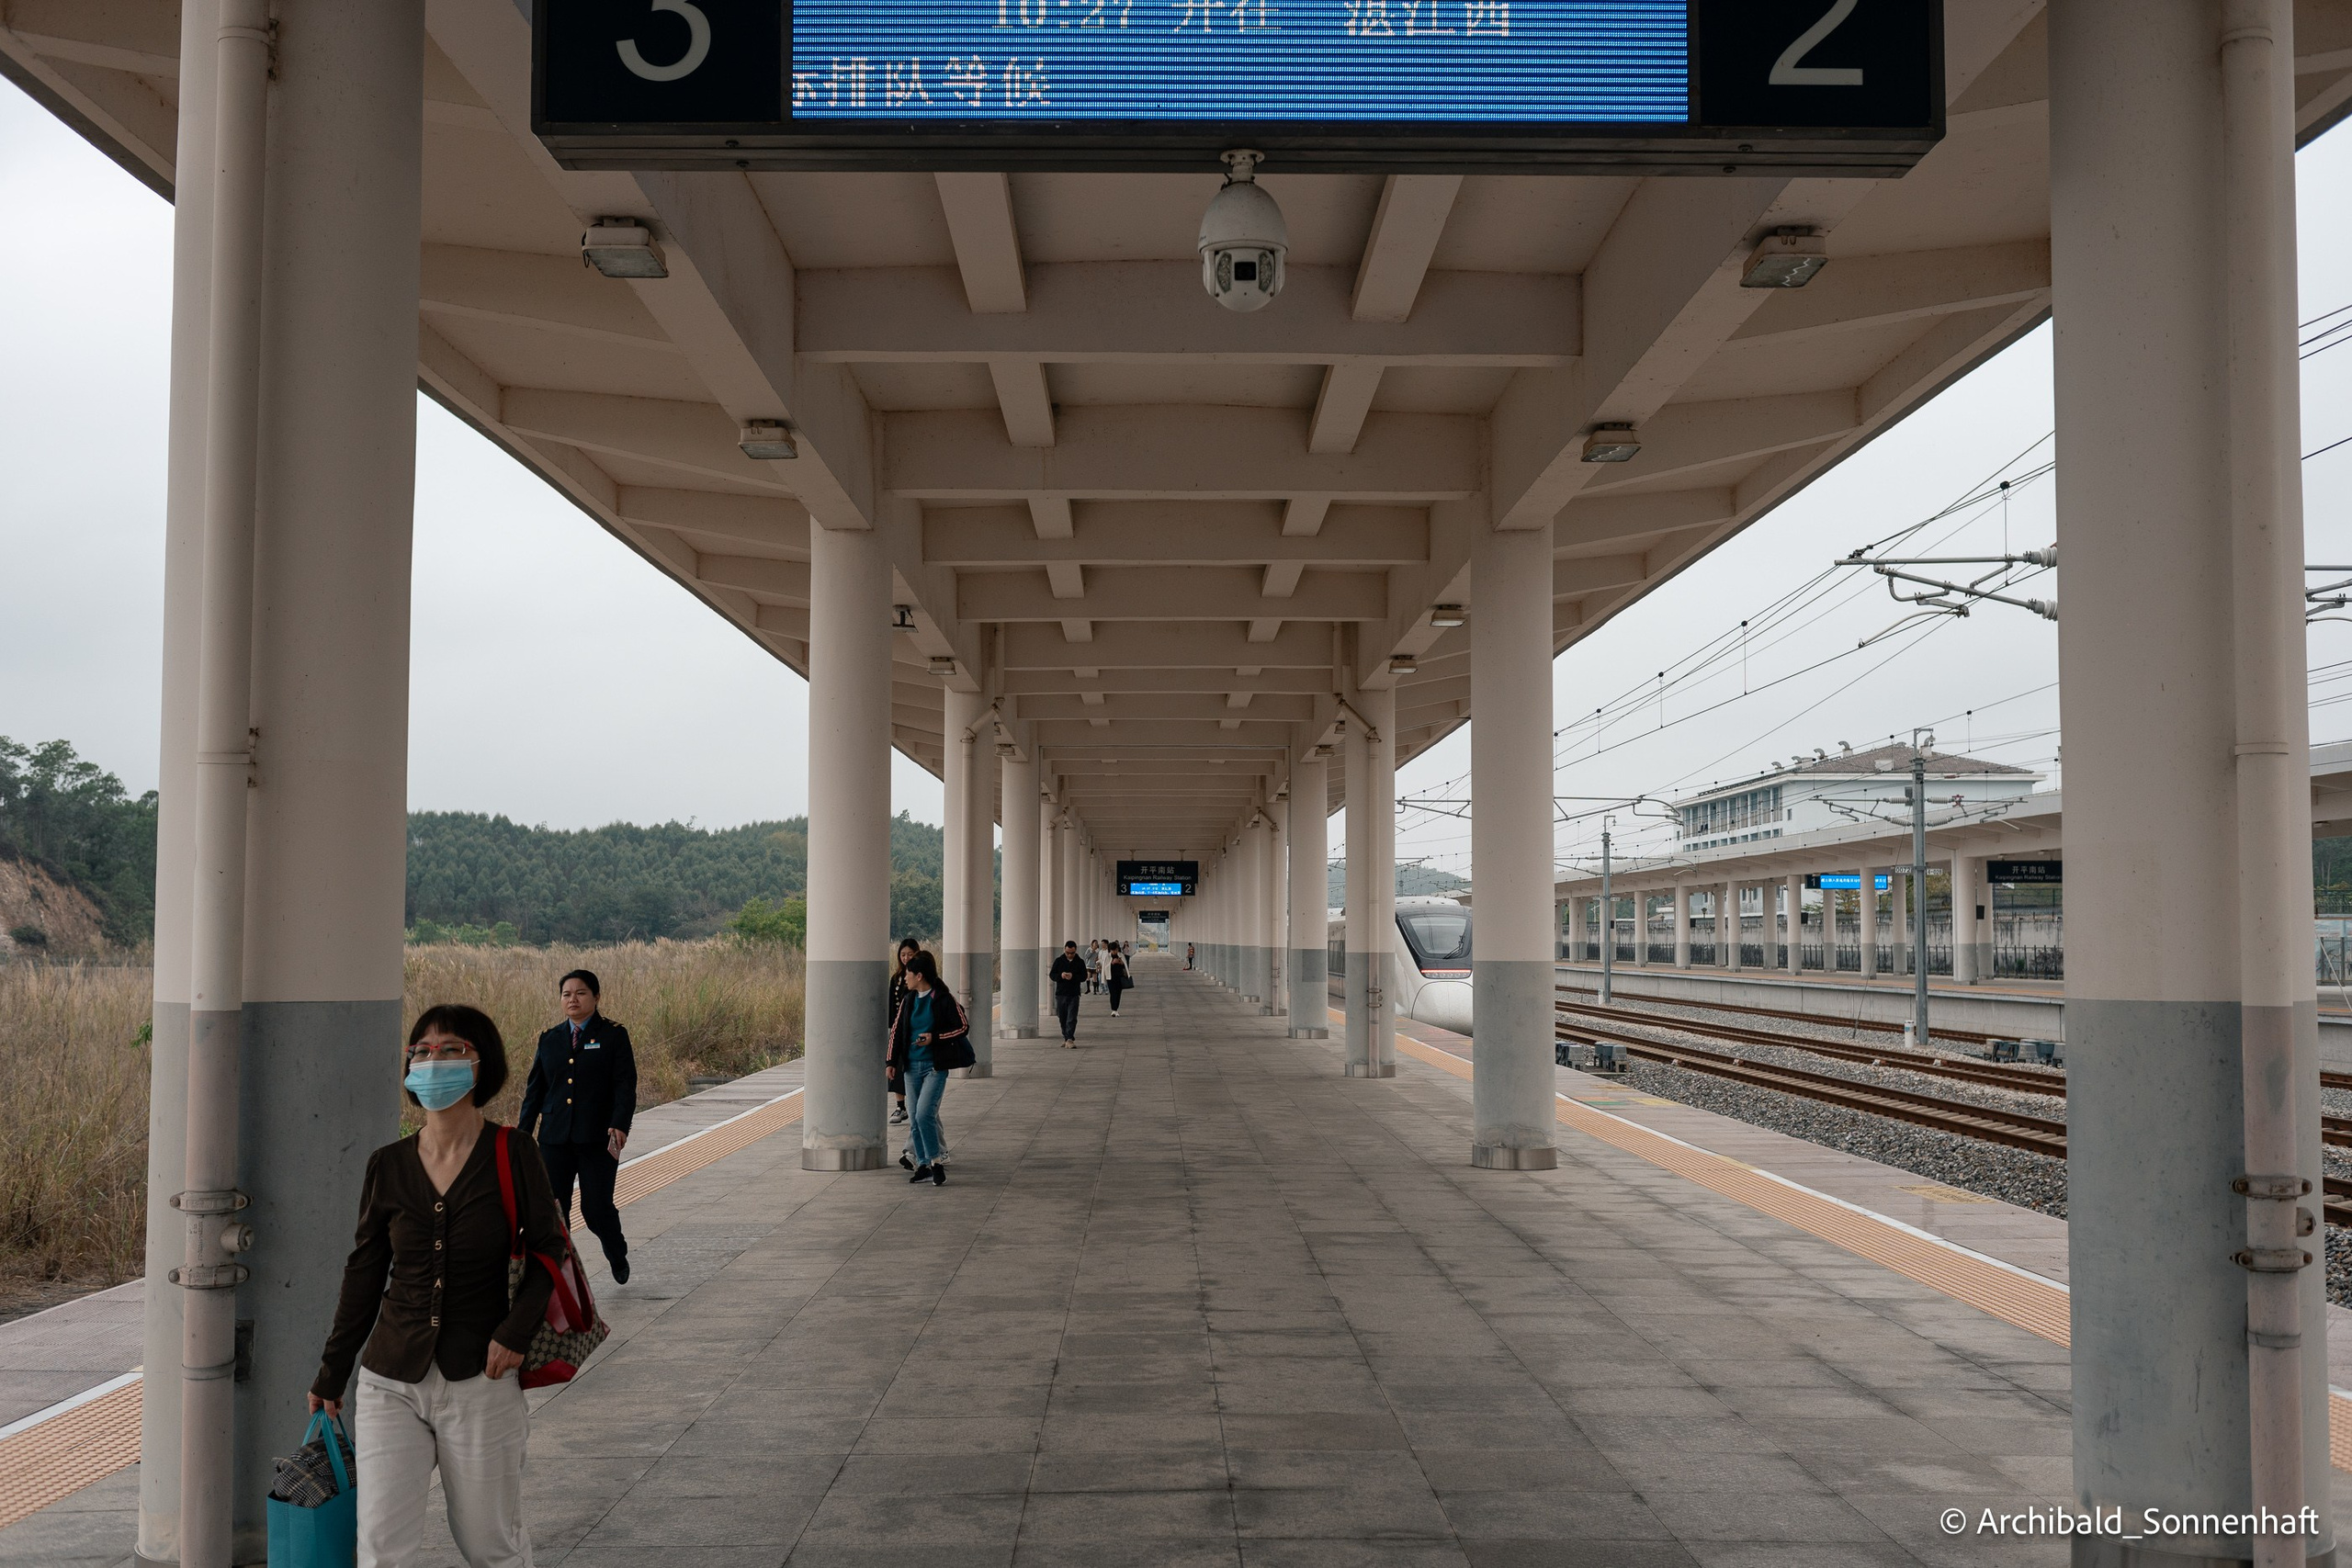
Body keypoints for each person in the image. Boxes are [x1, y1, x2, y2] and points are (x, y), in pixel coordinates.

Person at [311, 1003, 568, 1568]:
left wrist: (515, 1332)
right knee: (381, 1548)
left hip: (482, 1374)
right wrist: (333, 1369)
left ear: (481, 1063)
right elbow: (365, 1271)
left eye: (451, 1049)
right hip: (391, 1377)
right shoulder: (389, 1164)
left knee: (489, 1543)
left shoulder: (513, 1152)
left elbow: (551, 1249)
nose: (434, 1061)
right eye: (422, 1051)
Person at [518, 969, 636, 1283]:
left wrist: (620, 1124)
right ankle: (562, 1276)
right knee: (555, 1212)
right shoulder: (550, 1039)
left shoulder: (613, 1035)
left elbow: (625, 1085)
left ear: (596, 998)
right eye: (566, 994)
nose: (573, 999)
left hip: (597, 1137)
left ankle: (616, 1250)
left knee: (596, 1209)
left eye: (581, 993)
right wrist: (521, 1136)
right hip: (554, 1139)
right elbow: (535, 1092)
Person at [887, 951, 973, 1185]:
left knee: (925, 1114)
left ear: (919, 975)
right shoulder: (909, 1000)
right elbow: (896, 1032)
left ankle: (936, 1162)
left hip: (935, 1066)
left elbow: (963, 1027)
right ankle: (923, 1164)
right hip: (911, 1067)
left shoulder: (943, 998)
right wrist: (891, 1062)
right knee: (914, 1118)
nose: (905, 978)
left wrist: (935, 1037)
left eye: (908, 974)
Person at [887, 938, 920, 1125]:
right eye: (903, 954)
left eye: (910, 954)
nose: (906, 958)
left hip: (916, 1030)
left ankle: (915, 1105)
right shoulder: (897, 978)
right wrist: (893, 1029)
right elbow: (893, 1005)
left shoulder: (922, 976)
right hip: (900, 1030)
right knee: (897, 1066)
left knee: (914, 1067)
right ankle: (901, 1106)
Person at [1048, 940, 1088, 1045]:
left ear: (1075, 951)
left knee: (1072, 1017)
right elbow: (1052, 975)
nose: (1070, 955)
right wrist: (1061, 976)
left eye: (1072, 953)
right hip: (1061, 993)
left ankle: (1070, 1038)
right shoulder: (1059, 961)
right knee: (1062, 1017)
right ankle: (1066, 1037)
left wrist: (1073, 976)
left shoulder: (1080, 962)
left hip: (1074, 993)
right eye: (1068, 953)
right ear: (1064, 950)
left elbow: (1084, 976)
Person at [1106, 942, 1132, 1017]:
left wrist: (1121, 963)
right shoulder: (1108, 957)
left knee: (1118, 994)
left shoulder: (1121, 955)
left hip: (1120, 978)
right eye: (1112, 950)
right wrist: (1112, 963)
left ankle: (1116, 1009)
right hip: (1110, 978)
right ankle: (1113, 1009)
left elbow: (1125, 966)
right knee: (1113, 993)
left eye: (1115, 950)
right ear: (1110, 950)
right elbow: (1105, 967)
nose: (1114, 952)